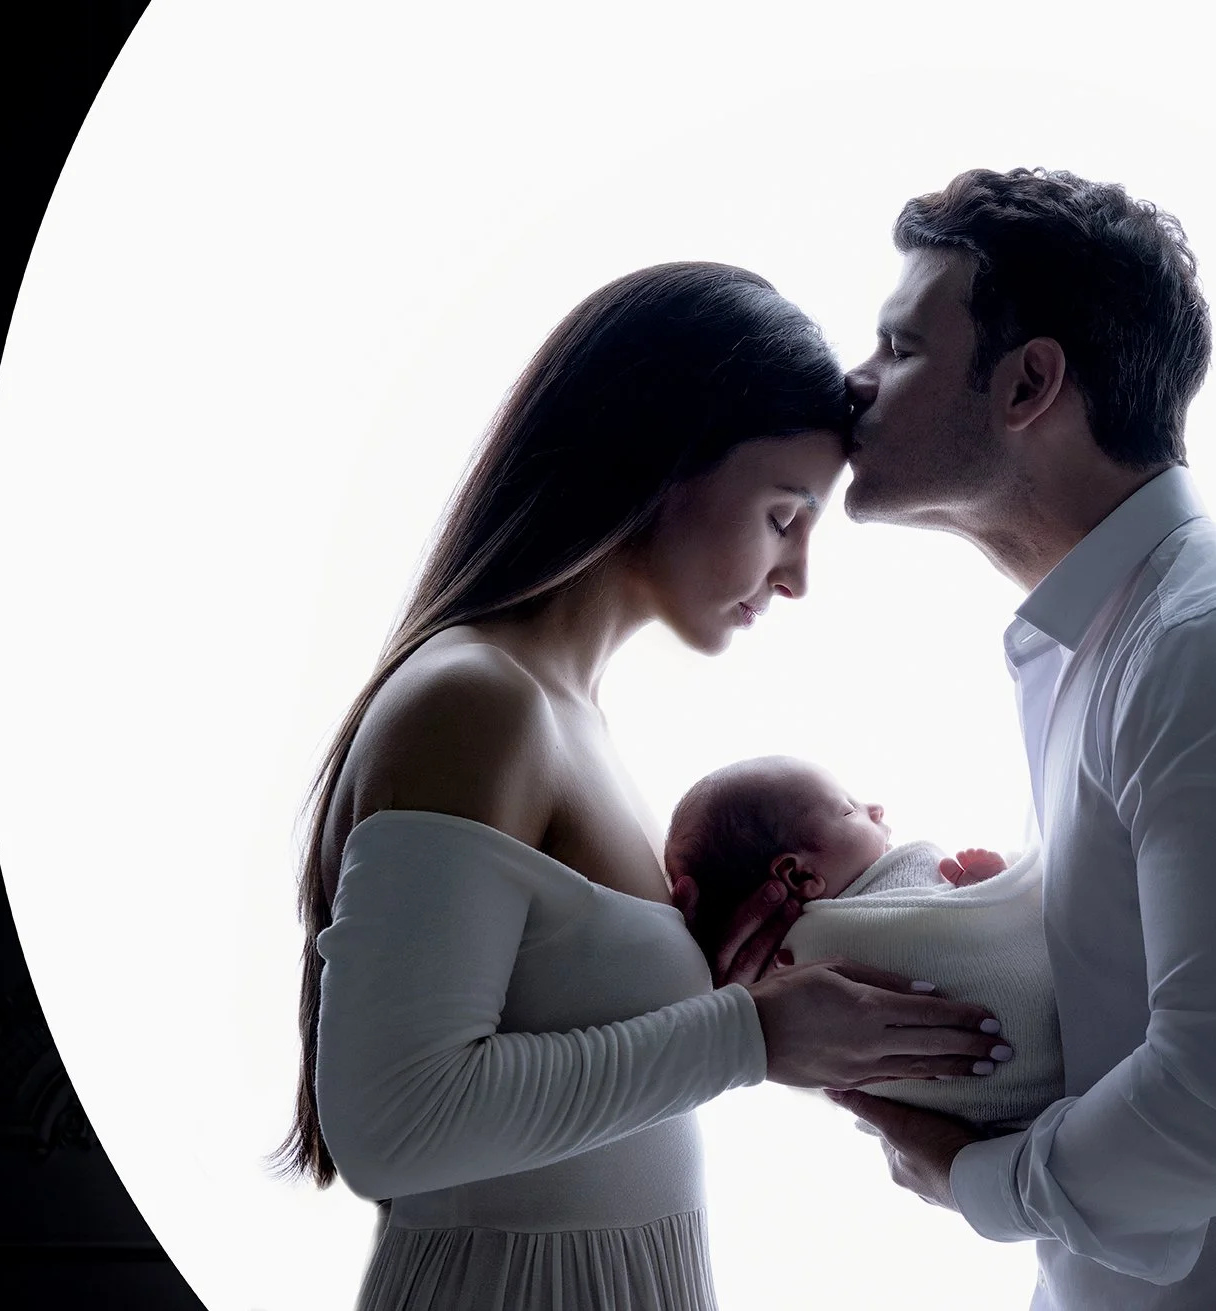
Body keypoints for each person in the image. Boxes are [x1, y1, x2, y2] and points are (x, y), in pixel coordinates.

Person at [716, 168, 1216, 1309]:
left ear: (1030, 382)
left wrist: (973, 1181)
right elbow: (1117, 1015)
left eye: (901, 346)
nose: (858, 379)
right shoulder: (1117, 641)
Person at [269, 262, 1010, 1311]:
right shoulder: (477, 704)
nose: (798, 575)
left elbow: (568, 1064)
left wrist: (734, 1000)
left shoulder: (563, 717)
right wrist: (749, 1037)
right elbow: (394, 1130)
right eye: (784, 514)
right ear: (658, 466)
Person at [664, 754, 1062, 1129]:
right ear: (799, 876)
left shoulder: (784, 984)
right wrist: (1000, 888)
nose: (876, 809)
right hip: (1056, 1034)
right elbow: (1015, 917)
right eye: (849, 809)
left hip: (1003, 1127)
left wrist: (982, 894)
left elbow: (968, 935)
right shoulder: (800, 980)